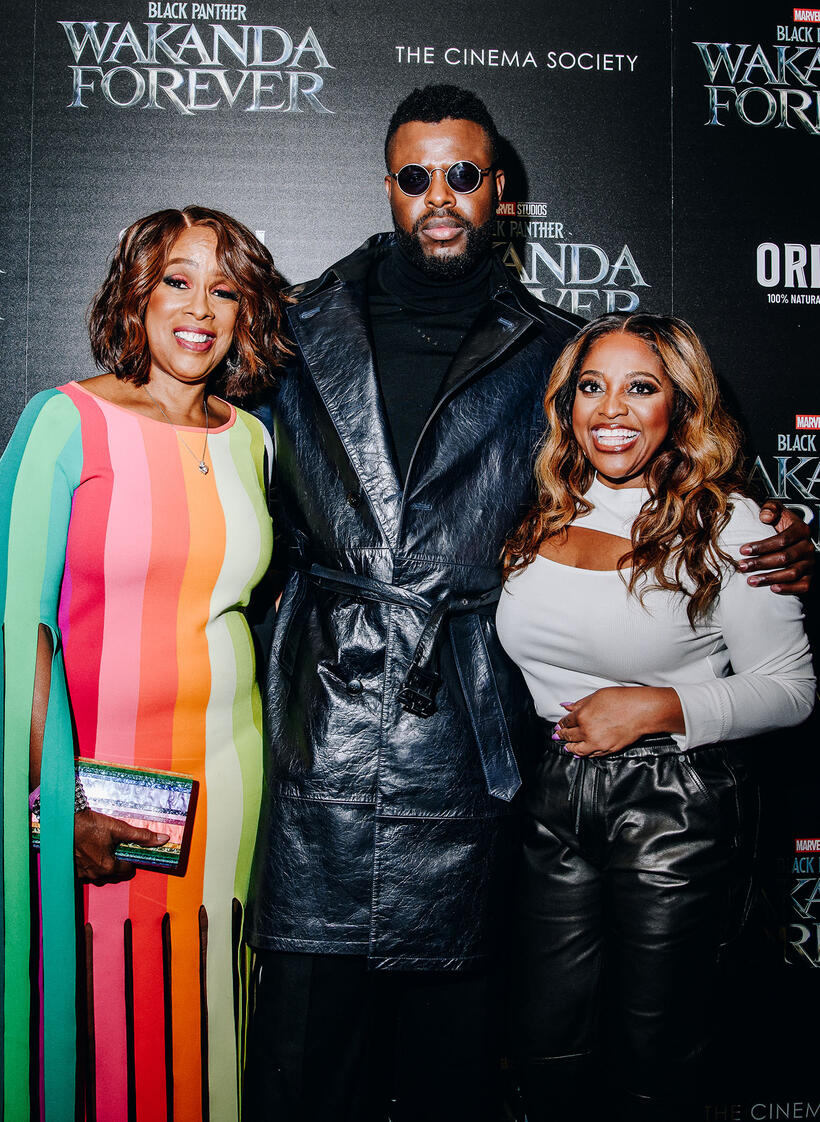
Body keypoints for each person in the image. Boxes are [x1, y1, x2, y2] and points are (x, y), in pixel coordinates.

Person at [243, 85, 814, 1122]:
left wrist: (778, 537)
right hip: (320, 724)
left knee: (473, 1047)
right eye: (416, 177)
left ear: (498, 189)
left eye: (463, 174)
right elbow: (203, 474)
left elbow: (661, 471)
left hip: (474, 742)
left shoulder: (558, 349)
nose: (440, 197)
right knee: (307, 1044)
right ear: (388, 187)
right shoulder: (291, 331)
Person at [0, 206, 290, 1122]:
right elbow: (17, 632)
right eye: (177, 279)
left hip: (235, 789)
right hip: (99, 794)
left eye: (225, 289)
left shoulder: (252, 440)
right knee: (107, 1039)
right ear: (137, 291)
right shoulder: (65, 423)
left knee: (210, 1038)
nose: (200, 307)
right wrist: (60, 799)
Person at [496, 313, 816, 1122]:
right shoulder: (542, 510)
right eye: (591, 387)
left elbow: (791, 687)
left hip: (679, 807)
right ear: (566, 404)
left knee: (657, 1064)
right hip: (554, 801)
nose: (612, 409)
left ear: (681, 404)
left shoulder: (730, 524)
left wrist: (658, 706)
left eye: (641, 388)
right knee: (547, 1052)